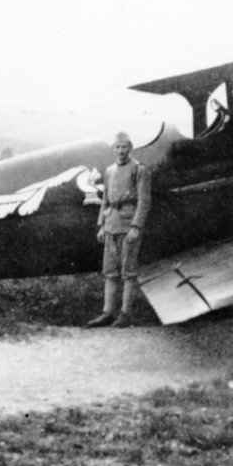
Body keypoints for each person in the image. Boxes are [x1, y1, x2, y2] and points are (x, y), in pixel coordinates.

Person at [86, 131, 152, 328]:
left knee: (128, 272)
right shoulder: (109, 171)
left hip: (128, 225)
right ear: (113, 149)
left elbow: (144, 201)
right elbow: (105, 201)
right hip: (111, 226)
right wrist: (101, 226)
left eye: (124, 147)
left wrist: (136, 227)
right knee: (110, 272)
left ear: (130, 147)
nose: (121, 151)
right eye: (117, 147)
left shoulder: (140, 170)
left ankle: (125, 314)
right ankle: (107, 312)